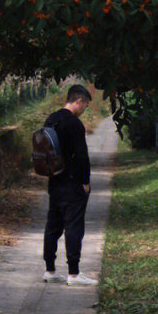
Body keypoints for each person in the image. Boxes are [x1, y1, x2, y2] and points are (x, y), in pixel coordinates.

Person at [42, 83, 97, 284]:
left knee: (52, 227)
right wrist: (85, 182)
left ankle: (49, 270)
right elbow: (82, 156)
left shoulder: (52, 119)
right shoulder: (74, 124)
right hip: (72, 183)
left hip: (54, 180)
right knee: (74, 227)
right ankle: (73, 273)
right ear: (79, 101)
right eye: (85, 106)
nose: (84, 110)